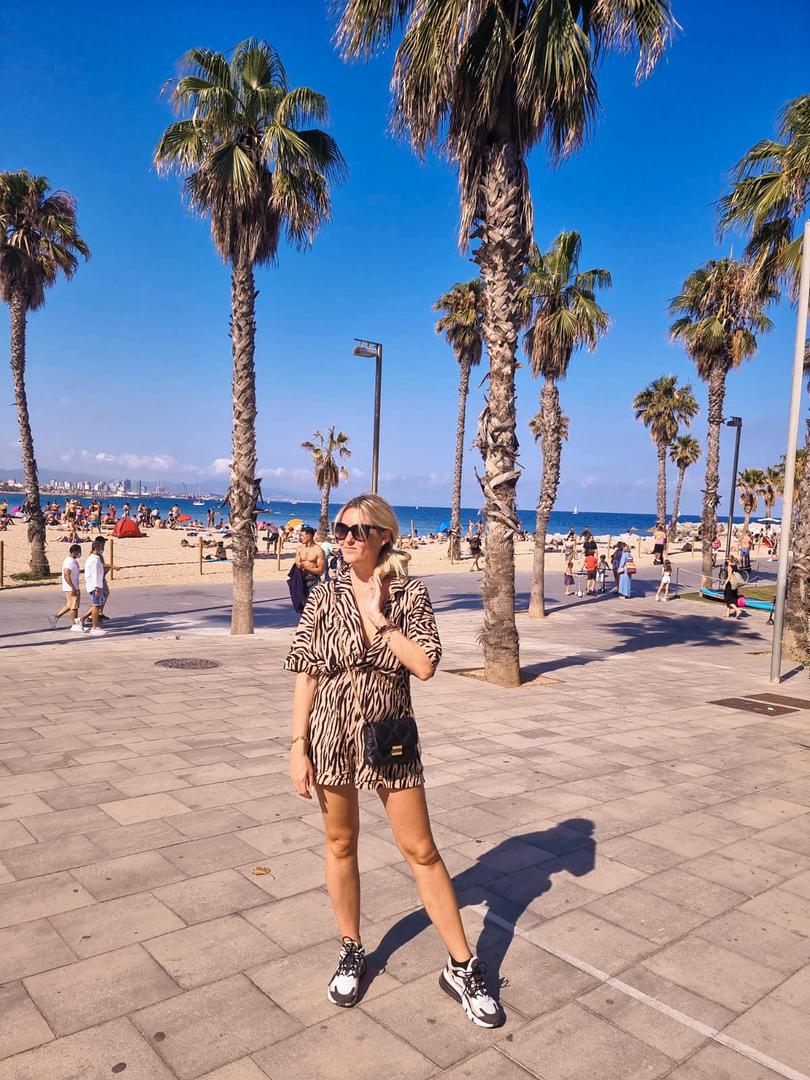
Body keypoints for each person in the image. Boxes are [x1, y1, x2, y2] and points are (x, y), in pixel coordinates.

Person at [285, 493, 504, 1028]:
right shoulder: (324, 594)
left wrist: (379, 620)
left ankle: (461, 966)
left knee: (421, 850)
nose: (345, 538)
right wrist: (296, 745)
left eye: (358, 530)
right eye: (341, 529)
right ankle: (351, 948)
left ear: (384, 535)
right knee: (340, 842)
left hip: (389, 733)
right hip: (331, 731)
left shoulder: (409, 592)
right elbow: (306, 673)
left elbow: (425, 665)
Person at [78, 537, 108, 635]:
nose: (103, 549)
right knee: (96, 606)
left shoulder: (94, 558)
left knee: (97, 605)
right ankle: (94, 627)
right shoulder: (94, 560)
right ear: (97, 547)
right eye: (101, 547)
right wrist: (97, 589)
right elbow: (95, 575)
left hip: (96, 585)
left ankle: (83, 620)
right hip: (95, 586)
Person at [52, 544, 84, 631]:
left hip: (74, 586)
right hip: (71, 587)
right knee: (74, 607)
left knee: (70, 605)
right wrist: (72, 587)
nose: (80, 553)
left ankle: (56, 617)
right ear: (74, 552)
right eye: (79, 551)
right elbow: (66, 574)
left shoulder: (73, 560)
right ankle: (74, 625)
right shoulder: (69, 561)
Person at [295, 526, 325, 601]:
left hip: (312, 580)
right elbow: (297, 562)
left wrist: (306, 568)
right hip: (300, 579)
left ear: (309, 536)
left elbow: (321, 571)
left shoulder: (319, 551)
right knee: (299, 603)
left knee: (311, 603)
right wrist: (299, 565)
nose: (300, 537)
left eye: (302, 535)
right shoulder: (299, 549)